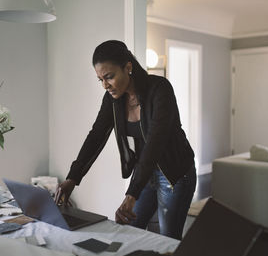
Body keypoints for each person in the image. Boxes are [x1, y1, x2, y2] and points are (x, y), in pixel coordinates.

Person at [54, 40, 196, 240]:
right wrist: (73, 178)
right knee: (128, 231)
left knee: (168, 238)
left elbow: (155, 143)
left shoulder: (160, 89)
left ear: (128, 67)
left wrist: (132, 194)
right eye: (100, 79)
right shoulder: (112, 99)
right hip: (145, 173)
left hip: (175, 173)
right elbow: (96, 136)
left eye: (109, 77)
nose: (105, 85)